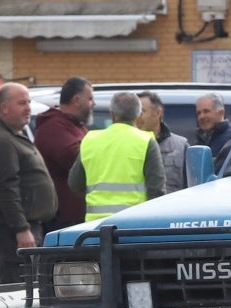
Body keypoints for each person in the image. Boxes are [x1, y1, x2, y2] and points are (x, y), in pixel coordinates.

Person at [0, 83, 53, 283]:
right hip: (14, 233)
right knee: (19, 290)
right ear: (4, 108)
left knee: (32, 287)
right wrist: (21, 229)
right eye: (22, 103)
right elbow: (6, 188)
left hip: (30, 226)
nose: (28, 108)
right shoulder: (3, 141)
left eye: (29, 102)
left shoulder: (15, 135)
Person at [70, 91, 164, 219]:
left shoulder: (90, 140)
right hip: (134, 225)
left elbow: (74, 183)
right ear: (138, 115)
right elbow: (157, 190)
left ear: (112, 115)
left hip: (95, 227)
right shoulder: (146, 141)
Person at [34, 77, 93, 230]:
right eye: (90, 99)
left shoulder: (74, 125)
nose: (93, 104)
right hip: (63, 218)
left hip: (75, 215)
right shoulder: (54, 126)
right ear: (77, 100)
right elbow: (73, 157)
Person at [139, 91, 191, 194]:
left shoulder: (181, 146)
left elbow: (191, 187)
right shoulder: (130, 145)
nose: (138, 117)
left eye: (142, 112)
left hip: (171, 208)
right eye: (136, 113)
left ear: (158, 113)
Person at [192, 91, 231, 167]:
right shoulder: (199, 142)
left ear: (221, 112)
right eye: (198, 113)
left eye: (206, 111)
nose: (201, 117)